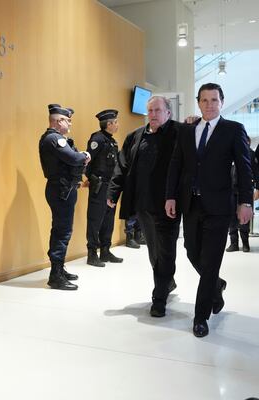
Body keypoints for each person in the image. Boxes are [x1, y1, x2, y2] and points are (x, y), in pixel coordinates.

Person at [166, 83, 253, 337]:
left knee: (211, 260)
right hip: (191, 204)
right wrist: (170, 196)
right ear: (198, 102)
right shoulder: (187, 130)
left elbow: (245, 169)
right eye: (204, 100)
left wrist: (245, 202)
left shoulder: (233, 130)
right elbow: (175, 164)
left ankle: (201, 317)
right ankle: (217, 285)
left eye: (214, 100)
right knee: (192, 252)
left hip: (218, 207)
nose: (209, 104)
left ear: (222, 102)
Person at [107, 96, 181, 318]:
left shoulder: (179, 133)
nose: (154, 114)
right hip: (143, 205)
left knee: (166, 251)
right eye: (150, 110)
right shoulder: (135, 137)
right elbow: (122, 166)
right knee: (154, 251)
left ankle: (159, 299)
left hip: (168, 205)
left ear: (168, 112)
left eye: (158, 110)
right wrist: (113, 192)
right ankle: (166, 281)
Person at [39, 104, 90, 290]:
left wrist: (79, 157)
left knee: (63, 230)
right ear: (59, 121)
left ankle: (59, 269)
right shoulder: (54, 139)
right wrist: (84, 154)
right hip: (60, 190)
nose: (69, 124)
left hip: (64, 189)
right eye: (68, 120)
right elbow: (75, 159)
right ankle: (55, 275)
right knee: (62, 231)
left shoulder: (59, 139)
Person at [85, 109, 122, 267]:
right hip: (99, 185)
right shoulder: (98, 139)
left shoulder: (112, 141)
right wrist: (90, 179)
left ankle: (105, 251)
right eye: (115, 122)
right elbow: (87, 161)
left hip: (110, 185)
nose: (117, 125)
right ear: (109, 124)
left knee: (108, 219)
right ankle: (92, 253)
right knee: (95, 219)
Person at [226, 135, 256, 252]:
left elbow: (256, 172)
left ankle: (245, 243)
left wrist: (257, 187)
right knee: (231, 218)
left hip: (244, 191)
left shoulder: (250, 154)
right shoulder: (229, 153)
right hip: (229, 191)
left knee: (244, 218)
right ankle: (234, 243)